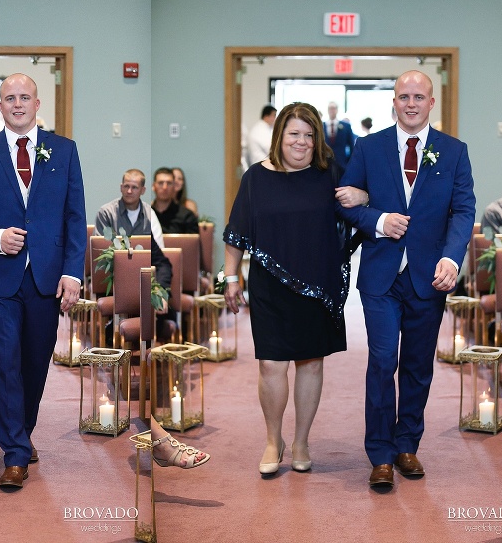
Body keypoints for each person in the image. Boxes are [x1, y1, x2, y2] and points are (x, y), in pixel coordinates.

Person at [336, 70, 475, 489]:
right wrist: (378, 219)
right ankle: (379, 453)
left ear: (432, 103)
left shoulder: (454, 151)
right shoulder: (369, 147)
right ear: (393, 103)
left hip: (429, 277)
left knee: (417, 365)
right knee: (382, 361)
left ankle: (406, 444)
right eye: (403, 97)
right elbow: (345, 200)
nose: (411, 103)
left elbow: (463, 210)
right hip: (380, 275)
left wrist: (452, 258)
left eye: (419, 96)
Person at [0, 73, 86, 489]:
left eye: (24, 97)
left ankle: (22, 431)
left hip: (47, 278)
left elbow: (74, 217)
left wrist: (71, 272)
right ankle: (14, 454)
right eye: (9, 98)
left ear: (37, 103)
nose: (17, 104)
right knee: (6, 363)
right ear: (0, 106)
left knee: (34, 363)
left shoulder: (63, 150)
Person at [223, 102, 354, 477]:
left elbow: (357, 207)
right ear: (280, 135)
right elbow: (237, 232)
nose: (302, 142)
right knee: (271, 364)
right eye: (294, 134)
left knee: (311, 363)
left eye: (309, 135)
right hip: (269, 284)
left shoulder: (329, 176)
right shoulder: (255, 178)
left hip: (317, 285)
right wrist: (231, 277)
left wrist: (360, 197)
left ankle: (301, 441)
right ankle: (272, 439)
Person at [95, 168, 165, 248]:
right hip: (114, 261)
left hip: (144, 261)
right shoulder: (106, 213)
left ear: (143, 190)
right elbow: (99, 249)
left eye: (134, 187)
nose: (129, 191)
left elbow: (159, 250)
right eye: (126, 186)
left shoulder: (150, 214)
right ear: (121, 187)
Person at [151, 168, 198, 234]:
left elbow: (193, 243)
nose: (165, 187)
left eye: (169, 183)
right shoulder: (144, 215)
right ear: (153, 186)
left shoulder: (187, 216)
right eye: (160, 183)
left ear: (174, 186)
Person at [324, 102, 356, 170]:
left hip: (342, 163)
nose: (332, 110)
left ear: (337, 110)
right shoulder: (321, 126)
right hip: (325, 162)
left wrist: (349, 162)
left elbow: (351, 145)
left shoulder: (346, 126)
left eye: (334, 108)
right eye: (330, 108)